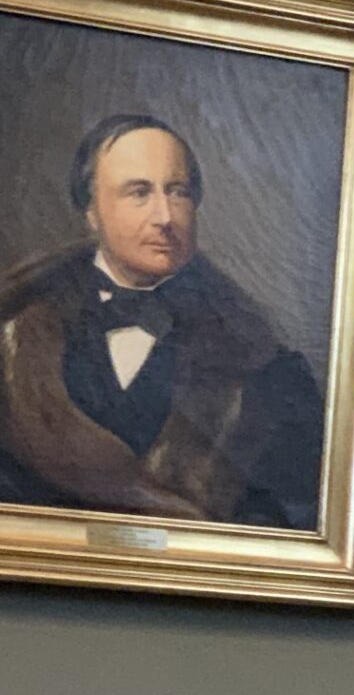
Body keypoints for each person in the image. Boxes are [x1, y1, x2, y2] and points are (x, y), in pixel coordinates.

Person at [0, 112, 325, 528]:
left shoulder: (264, 369)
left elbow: (291, 526)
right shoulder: (16, 337)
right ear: (91, 211)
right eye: (138, 193)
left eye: (178, 192)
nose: (165, 217)